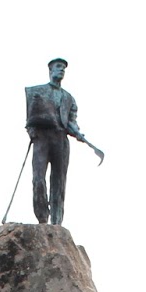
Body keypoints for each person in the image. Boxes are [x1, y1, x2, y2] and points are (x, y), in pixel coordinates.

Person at [24, 58, 102, 225]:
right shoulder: (38, 91)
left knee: (59, 182)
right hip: (42, 138)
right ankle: (42, 218)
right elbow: (30, 117)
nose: (61, 70)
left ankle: (57, 222)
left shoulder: (69, 98)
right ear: (50, 70)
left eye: (63, 68)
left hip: (60, 139)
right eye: (58, 67)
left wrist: (77, 132)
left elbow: (71, 120)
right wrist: (32, 130)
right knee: (38, 179)